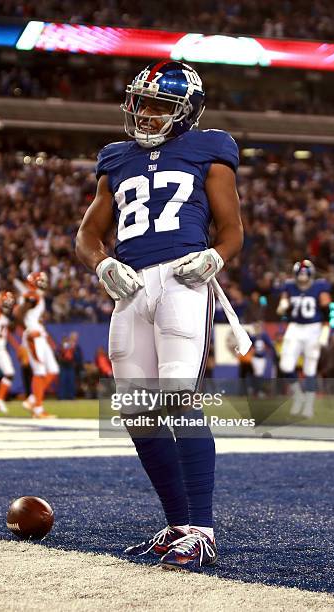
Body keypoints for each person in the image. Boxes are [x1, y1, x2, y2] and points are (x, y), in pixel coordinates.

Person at [76, 60, 243, 570]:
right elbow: (86, 236)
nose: (145, 113)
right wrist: (103, 264)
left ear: (185, 112)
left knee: (176, 398)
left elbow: (232, 228)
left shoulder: (209, 149)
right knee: (135, 412)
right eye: (141, 102)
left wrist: (216, 256)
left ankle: (203, 531)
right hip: (130, 287)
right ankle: (177, 526)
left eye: (158, 105)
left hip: (181, 279)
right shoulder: (116, 159)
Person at [277, 260, 331, 418]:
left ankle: (308, 405)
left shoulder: (320, 287)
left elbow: (327, 309)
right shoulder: (289, 286)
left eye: (304, 274)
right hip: (294, 327)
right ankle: (298, 396)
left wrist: (326, 330)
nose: (302, 278)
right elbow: (284, 303)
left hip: (313, 328)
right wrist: (283, 304)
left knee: (310, 369)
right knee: (286, 365)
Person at [15, 271, 59, 418]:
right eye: (40, 280)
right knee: (39, 371)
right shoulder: (31, 295)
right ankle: (38, 409)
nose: (43, 282)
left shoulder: (37, 295)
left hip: (40, 335)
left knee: (53, 370)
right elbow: (18, 314)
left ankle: (33, 399)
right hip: (34, 337)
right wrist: (28, 330)